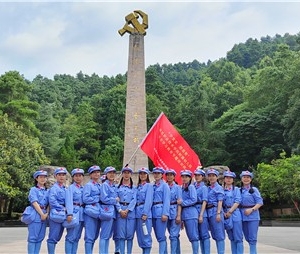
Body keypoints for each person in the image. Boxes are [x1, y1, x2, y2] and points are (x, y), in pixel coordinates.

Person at [47, 167, 73, 254]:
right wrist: (63, 208)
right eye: (59, 175)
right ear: (55, 176)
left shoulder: (65, 188)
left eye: (63, 175)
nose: (61, 177)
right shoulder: (54, 188)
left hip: (64, 213)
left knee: (58, 236)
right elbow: (52, 201)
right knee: (53, 236)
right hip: (57, 213)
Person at [239, 171, 263, 254]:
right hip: (242, 215)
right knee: (247, 237)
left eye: (248, 177)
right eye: (244, 177)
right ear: (241, 179)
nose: (246, 179)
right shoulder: (239, 190)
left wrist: (252, 209)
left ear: (251, 179)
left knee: (252, 237)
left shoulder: (254, 190)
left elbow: (259, 202)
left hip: (253, 216)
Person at [115, 166, 137, 254]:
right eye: (125, 172)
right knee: (121, 236)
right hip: (120, 211)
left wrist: (127, 210)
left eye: (128, 173)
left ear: (131, 174)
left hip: (130, 212)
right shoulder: (117, 187)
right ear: (122, 174)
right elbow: (115, 199)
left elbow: (134, 200)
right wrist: (120, 210)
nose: (126, 174)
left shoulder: (134, 188)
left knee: (130, 235)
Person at [26, 169, 49, 254]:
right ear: (36, 178)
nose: (43, 179)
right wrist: (42, 214)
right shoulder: (33, 189)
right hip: (35, 214)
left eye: (44, 177)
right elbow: (34, 203)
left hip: (44, 214)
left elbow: (50, 203)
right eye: (41, 177)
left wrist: (46, 214)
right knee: (33, 238)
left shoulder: (47, 191)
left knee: (40, 237)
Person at [99, 166, 119, 254]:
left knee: (107, 236)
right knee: (104, 236)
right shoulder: (105, 185)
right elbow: (104, 198)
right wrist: (114, 200)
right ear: (106, 174)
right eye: (110, 173)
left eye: (113, 173)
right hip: (106, 212)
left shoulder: (113, 185)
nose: (112, 174)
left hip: (112, 212)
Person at [65, 168, 85, 254]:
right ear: (73, 177)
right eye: (76, 176)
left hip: (82, 214)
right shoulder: (71, 188)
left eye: (80, 176)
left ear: (83, 177)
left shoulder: (83, 188)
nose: (78, 178)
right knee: (70, 237)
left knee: (77, 237)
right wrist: (69, 213)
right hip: (74, 213)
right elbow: (68, 201)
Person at [223, 170, 243, 254]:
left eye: (230, 178)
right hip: (225, 213)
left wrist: (230, 212)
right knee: (231, 237)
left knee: (238, 237)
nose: (228, 179)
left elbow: (237, 201)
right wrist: (223, 212)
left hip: (235, 213)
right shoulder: (221, 190)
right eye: (227, 177)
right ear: (224, 179)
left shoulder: (236, 189)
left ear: (233, 180)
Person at [82, 165, 101, 254]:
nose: (96, 174)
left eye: (98, 172)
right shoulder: (88, 185)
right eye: (94, 172)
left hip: (98, 212)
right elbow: (85, 199)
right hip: (90, 212)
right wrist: (97, 198)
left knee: (95, 235)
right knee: (89, 236)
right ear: (90, 175)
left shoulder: (99, 185)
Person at [206, 168, 225, 254]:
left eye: (213, 176)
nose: (211, 177)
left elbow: (220, 201)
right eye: (209, 176)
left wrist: (218, 213)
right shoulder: (208, 188)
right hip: (209, 211)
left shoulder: (218, 188)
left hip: (215, 211)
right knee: (214, 234)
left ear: (217, 177)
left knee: (219, 234)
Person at [152, 167, 170, 254]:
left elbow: (167, 200)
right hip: (153, 212)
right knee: (158, 235)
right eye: (155, 173)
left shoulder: (165, 185)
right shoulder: (152, 185)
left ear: (161, 175)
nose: (156, 175)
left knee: (161, 235)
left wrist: (165, 213)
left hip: (160, 211)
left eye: (158, 173)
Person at [135, 167, 153, 254]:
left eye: (144, 174)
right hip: (137, 213)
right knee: (140, 236)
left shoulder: (149, 186)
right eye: (141, 174)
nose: (142, 175)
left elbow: (149, 200)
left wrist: (145, 213)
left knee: (146, 235)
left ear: (147, 175)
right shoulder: (138, 186)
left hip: (145, 214)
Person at [180, 169, 199, 254]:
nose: (184, 178)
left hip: (191, 213)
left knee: (193, 235)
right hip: (185, 214)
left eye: (186, 177)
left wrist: (183, 203)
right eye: (183, 177)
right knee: (190, 236)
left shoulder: (191, 187)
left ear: (190, 178)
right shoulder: (182, 188)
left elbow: (194, 199)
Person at [165, 169, 182, 254]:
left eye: (171, 175)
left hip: (175, 211)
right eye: (168, 175)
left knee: (173, 235)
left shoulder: (177, 187)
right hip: (166, 212)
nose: (169, 176)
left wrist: (179, 215)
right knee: (174, 235)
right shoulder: (164, 186)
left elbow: (179, 202)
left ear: (174, 176)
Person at [193, 169, 210, 254]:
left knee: (204, 234)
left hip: (201, 210)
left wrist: (201, 214)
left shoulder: (204, 187)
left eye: (199, 175)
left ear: (202, 177)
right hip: (194, 210)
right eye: (195, 175)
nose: (197, 177)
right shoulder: (193, 186)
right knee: (198, 234)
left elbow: (204, 201)